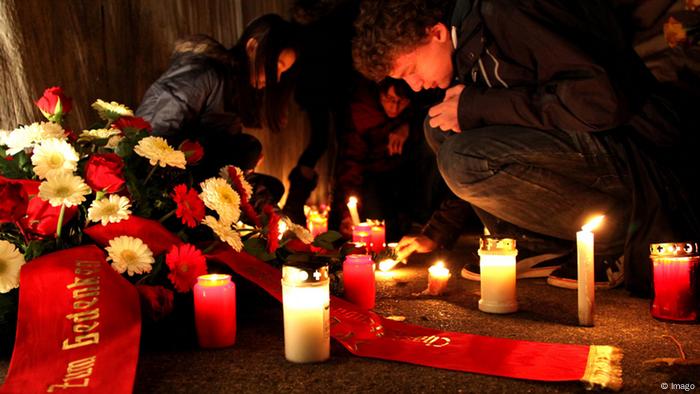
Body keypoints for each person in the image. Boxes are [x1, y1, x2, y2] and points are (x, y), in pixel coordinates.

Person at [352, 0, 700, 295]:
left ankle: (610, 243)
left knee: (462, 152)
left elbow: (601, 102)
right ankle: (538, 244)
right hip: (589, 147)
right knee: (441, 128)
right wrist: (437, 232)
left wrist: (478, 106)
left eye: (410, 70)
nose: (414, 85)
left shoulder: (506, 14)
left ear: (437, 33)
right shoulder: (469, 43)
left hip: (636, 153)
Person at [136, 14, 299, 187]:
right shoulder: (204, 74)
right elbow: (153, 131)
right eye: (278, 66)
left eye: (284, 71)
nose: (278, 78)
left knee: (271, 185)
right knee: (249, 149)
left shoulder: (236, 86)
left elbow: (218, 136)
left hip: (191, 168)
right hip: (157, 170)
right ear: (252, 47)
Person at [332, 76, 436, 241]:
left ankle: (419, 221)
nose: (394, 108)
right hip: (372, 176)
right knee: (379, 229)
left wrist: (409, 127)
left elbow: (428, 114)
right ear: (380, 93)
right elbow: (351, 164)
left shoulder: (412, 111)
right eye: (390, 99)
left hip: (404, 172)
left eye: (401, 101)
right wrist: (347, 214)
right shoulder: (362, 113)